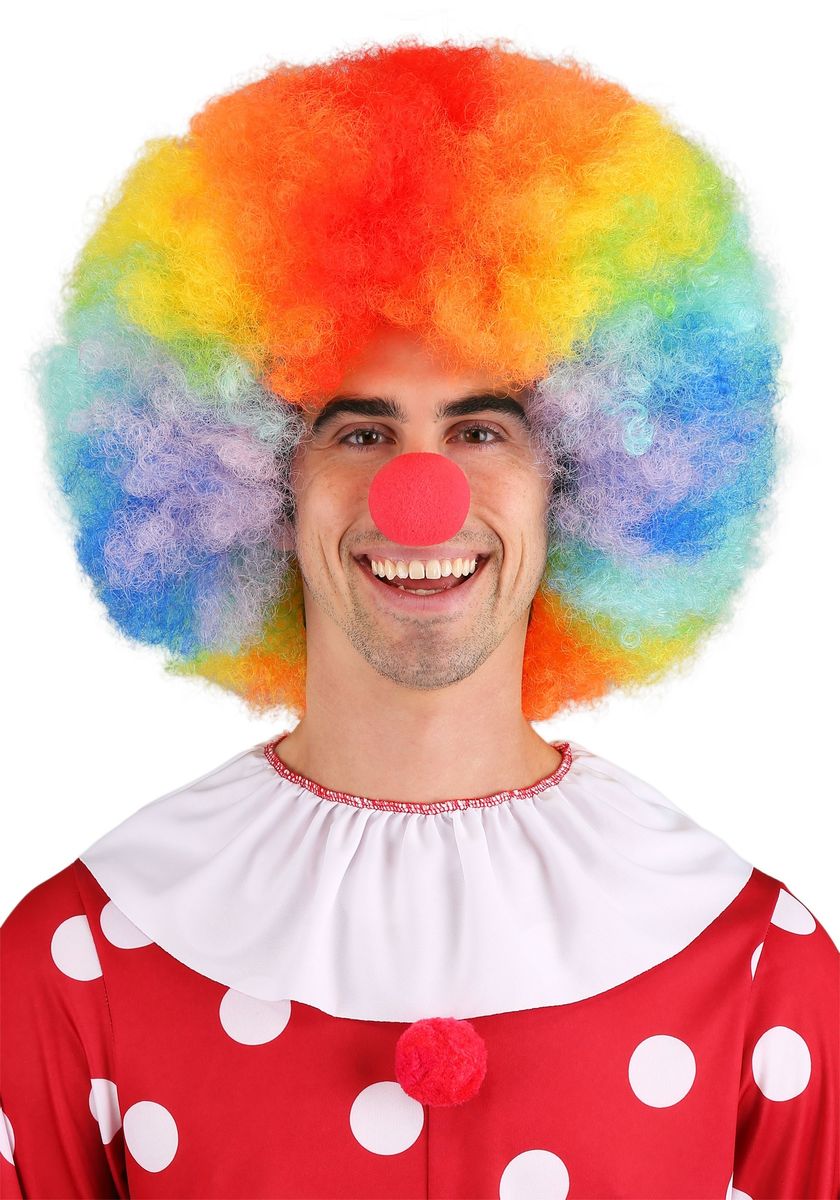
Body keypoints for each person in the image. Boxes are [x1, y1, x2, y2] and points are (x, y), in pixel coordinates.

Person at [1, 37, 837, 1200]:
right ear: (254, 482)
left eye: (481, 430)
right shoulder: (85, 954)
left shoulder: (747, 957)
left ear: (580, 480)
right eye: (361, 432)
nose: (420, 491)